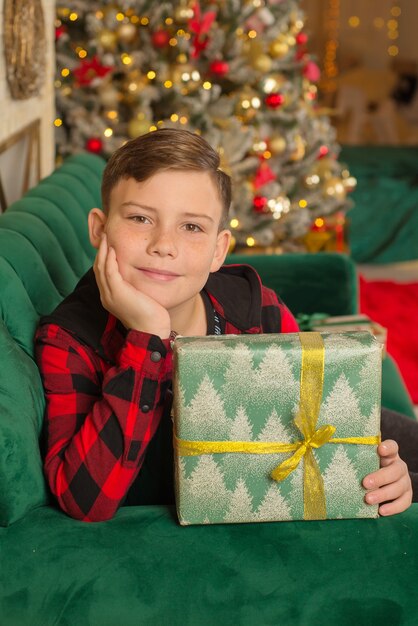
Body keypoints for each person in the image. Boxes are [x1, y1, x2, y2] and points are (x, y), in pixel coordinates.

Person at [35, 128, 413, 522]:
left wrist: (396, 477)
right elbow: (85, 500)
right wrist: (147, 335)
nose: (163, 244)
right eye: (140, 218)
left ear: (218, 250)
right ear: (99, 229)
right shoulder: (70, 339)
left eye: (192, 227)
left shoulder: (252, 306)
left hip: (283, 443)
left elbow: (321, 424)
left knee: (402, 458)